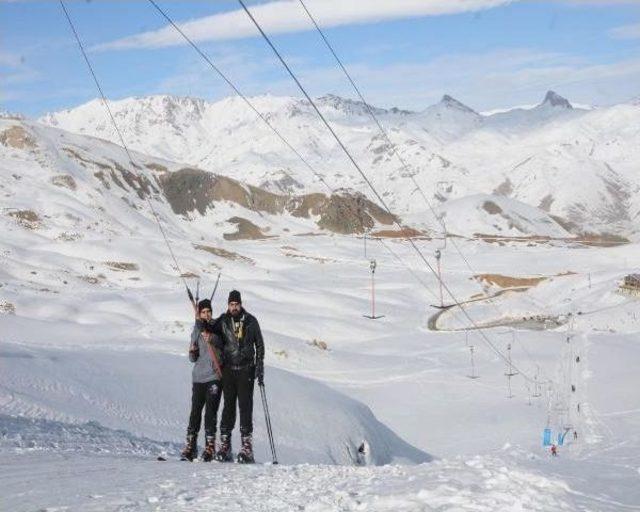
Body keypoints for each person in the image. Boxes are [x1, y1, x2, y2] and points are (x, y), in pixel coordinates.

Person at [212, 290, 265, 463]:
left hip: (246, 369)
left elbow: (260, 345)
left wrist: (259, 366)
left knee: (245, 406)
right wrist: (200, 320)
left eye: (236, 304)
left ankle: (247, 447)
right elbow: (209, 329)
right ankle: (225, 445)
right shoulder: (223, 320)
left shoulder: (251, 321)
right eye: (231, 304)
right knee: (228, 406)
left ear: (241, 304)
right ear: (228, 305)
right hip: (228, 370)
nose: (234, 307)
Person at [180, 299, 224, 462]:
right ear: (199, 313)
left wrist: (211, 337)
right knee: (195, 412)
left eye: (208, 312)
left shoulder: (217, 326)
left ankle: (210, 447)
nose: (206, 315)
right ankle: (190, 446)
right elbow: (193, 357)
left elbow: (222, 343)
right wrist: (192, 352)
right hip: (198, 377)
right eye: (203, 312)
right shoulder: (196, 330)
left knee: (211, 412)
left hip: (214, 376)